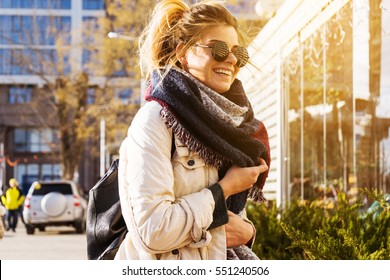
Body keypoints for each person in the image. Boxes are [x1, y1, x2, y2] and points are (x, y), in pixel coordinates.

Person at [115, 0, 270, 260]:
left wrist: (247, 232)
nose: (231, 59)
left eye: (238, 53)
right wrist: (225, 189)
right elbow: (153, 231)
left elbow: (234, 224)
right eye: (219, 49)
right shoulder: (155, 121)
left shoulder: (232, 127)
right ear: (182, 53)